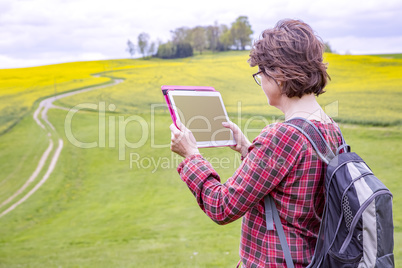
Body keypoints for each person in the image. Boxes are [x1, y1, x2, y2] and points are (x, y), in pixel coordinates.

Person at [169, 19, 342, 268]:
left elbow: (221, 206)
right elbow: (287, 188)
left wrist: (191, 156)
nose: (260, 80)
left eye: (261, 72)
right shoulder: (330, 129)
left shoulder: (282, 136)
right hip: (311, 259)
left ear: (280, 75)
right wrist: (246, 148)